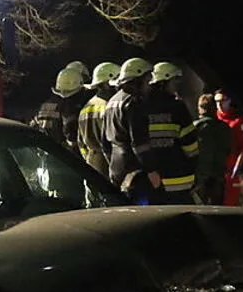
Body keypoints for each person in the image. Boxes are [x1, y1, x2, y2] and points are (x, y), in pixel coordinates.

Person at [104, 58, 162, 203]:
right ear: (137, 80)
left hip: (116, 168)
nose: (149, 85)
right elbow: (139, 141)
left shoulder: (111, 102)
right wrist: (151, 170)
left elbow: (104, 141)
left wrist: (112, 163)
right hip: (135, 171)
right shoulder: (133, 102)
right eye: (147, 80)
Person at [145, 62, 198, 203]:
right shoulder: (177, 107)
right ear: (163, 82)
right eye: (175, 81)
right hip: (179, 176)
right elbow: (190, 142)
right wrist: (195, 162)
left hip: (152, 179)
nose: (177, 86)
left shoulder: (140, 106)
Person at [77, 62, 120, 177]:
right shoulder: (110, 106)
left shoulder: (86, 107)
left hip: (91, 161)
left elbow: (80, 142)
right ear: (106, 83)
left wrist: (88, 158)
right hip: (110, 161)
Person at [30, 66, 86, 152]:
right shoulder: (68, 105)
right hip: (62, 153)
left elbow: (33, 126)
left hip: (45, 150)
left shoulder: (45, 104)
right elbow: (70, 131)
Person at [192, 93, 232, 205]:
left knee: (199, 209)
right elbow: (228, 150)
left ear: (200, 108)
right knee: (218, 210)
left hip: (200, 175)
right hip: (219, 174)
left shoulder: (195, 127)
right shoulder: (225, 128)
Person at [215, 89, 243, 206]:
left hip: (230, 171)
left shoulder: (237, 121)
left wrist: (237, 168)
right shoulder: (213, 118)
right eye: (217, 101)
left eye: (222, 100)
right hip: (215, 169)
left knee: (230, 203)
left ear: (229, 101)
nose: (219, 104)